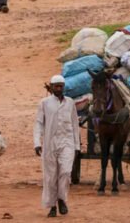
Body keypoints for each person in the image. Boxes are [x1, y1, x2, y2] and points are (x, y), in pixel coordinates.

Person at [34, 75, 80, 218]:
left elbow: (75, 124)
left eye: (61, 86)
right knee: (50, 176)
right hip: (49, 144)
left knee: (66, 172)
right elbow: (38, 123)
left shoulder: (70, 103)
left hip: (67, 143)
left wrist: (77, 145)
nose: (59, 88)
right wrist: (37, 142)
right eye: (56, 86)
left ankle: (62, 199)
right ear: (51, 87)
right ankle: (52, 205)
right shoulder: (44, 103)